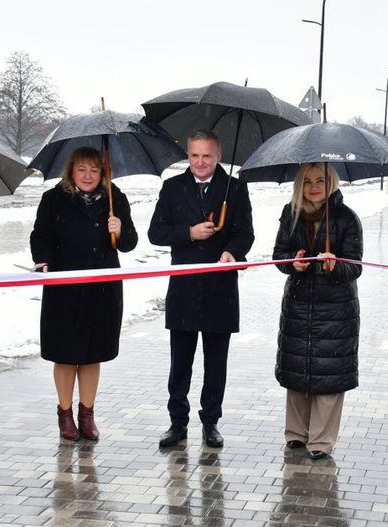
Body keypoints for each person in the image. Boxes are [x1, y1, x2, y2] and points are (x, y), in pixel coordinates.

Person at [147, 129, 255, 448]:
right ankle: (177, 422)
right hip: (183, 290)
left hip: (220, 289)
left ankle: (211, 422)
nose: (200, 162)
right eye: (194, 155)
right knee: (180, 362)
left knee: (215, 362)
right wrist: (189, 233)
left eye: (207, 155)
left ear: (218, 155)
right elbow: (156, 233)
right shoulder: (172, 188)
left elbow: (245, 233)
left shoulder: (234, 189)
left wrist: (232, 251)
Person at [30, 146, 138, 441]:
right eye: (82, 169)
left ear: (103, 172)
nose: (88, 176)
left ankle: (87, 414)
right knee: (65, 354)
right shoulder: (53, 199)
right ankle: (65, 415)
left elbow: (129, 243)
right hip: (64, 290)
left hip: (103, 290)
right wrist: (42, 260)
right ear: (71, 171)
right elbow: (40, 236)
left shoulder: (116, 199)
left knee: (92, 354)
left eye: (94, 170)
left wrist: (121, 228)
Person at [272, 163, 363, 460]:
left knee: (328, 376)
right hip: (299, 305)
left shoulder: (347, 218)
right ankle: (296, 434)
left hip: (335, 310)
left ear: (331, 182)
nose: (314, 186)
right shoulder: (291, 214)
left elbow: (356, 266)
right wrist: (292, 263)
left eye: (321, 180)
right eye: (308, 181)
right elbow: (279, 255)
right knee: (298, 372)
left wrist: (336, 266)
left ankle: (321, 441)